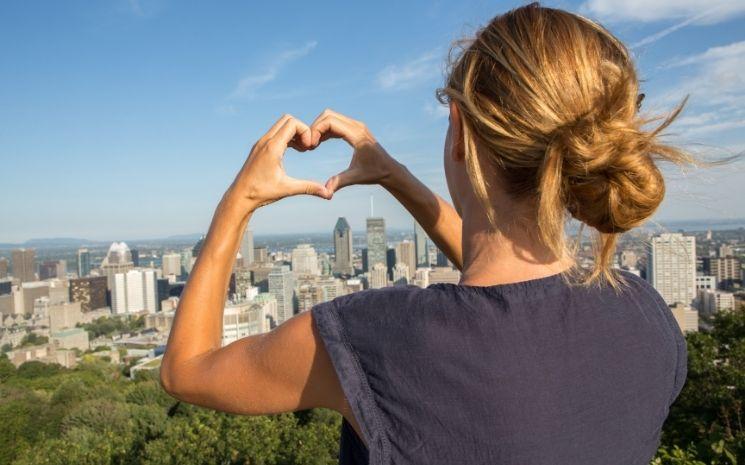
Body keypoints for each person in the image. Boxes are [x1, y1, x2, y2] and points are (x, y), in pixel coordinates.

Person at [159, 3, 692, 464]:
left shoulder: (378, 337)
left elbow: (187, 370)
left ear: (459, 128)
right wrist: (392, 175)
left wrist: (240, 201)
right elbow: (509, 298)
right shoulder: (645, 317)